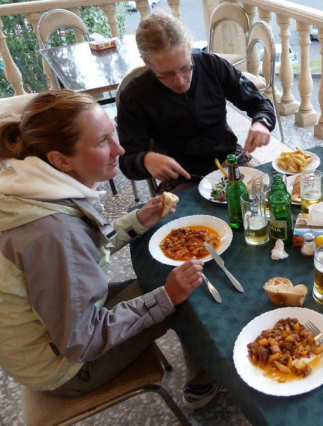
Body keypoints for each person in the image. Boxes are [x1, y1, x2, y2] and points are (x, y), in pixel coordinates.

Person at [0, 90, 220, 409]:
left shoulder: (33, 187)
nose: (119, 148)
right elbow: (82, 341)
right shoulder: (51, 232)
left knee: (170, 282)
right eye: (102, 141)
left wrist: (138, 219)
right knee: (190, 299)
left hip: (56, 333)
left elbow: (84, 251)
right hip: (66, 368)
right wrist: (167, 297)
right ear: (60, 160)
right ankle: (205, 385)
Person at [117, 12, 276, 193]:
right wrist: (145, 160)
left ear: (190, 49)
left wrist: (262, 122)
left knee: (270, 197)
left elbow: (260, 104)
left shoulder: (212, 66)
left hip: (231, 161)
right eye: (167, 74)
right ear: (147, 62)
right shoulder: (135, 96)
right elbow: (127, 162)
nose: (179, 80)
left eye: (185, 68)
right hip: (182, 177)